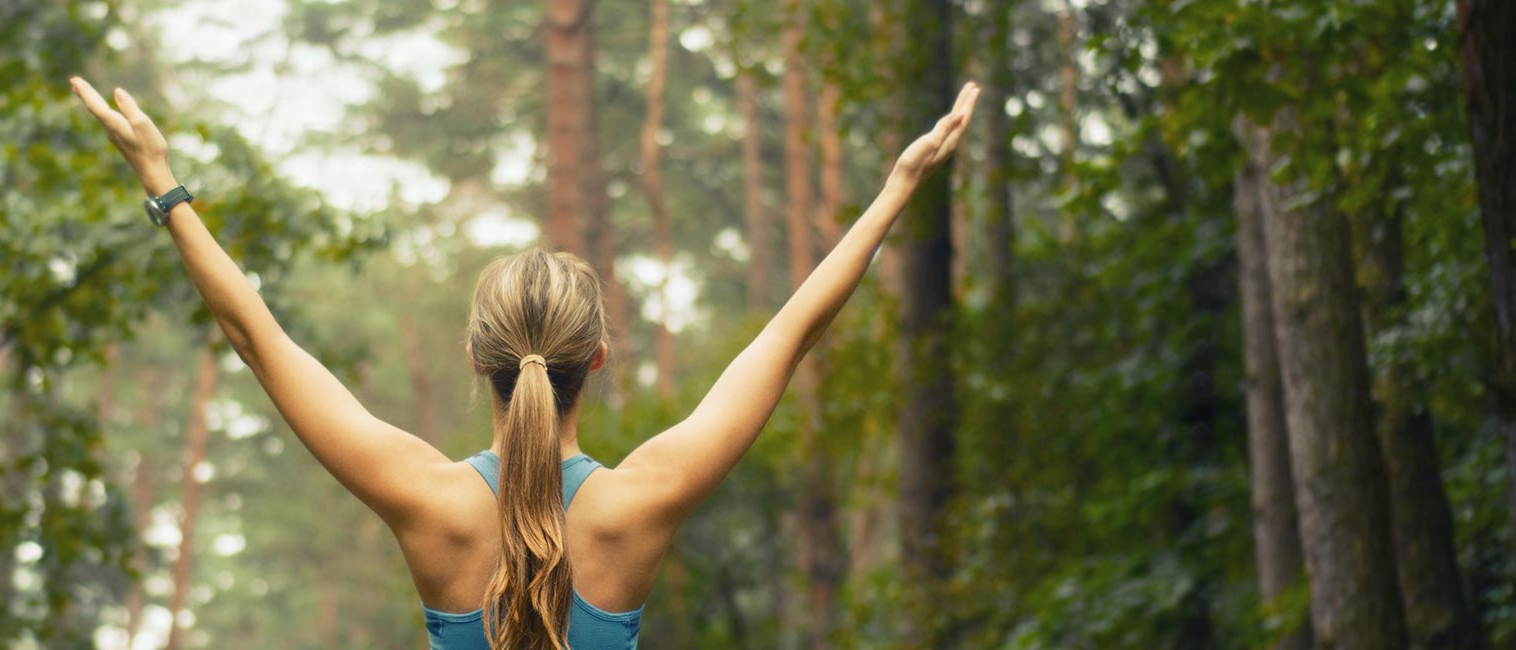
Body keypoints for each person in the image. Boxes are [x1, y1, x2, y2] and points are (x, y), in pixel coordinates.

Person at [70, 75, 980, 649]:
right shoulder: (640, 503)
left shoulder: (426, 500)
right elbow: (790, 335)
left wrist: (163, 181)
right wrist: (895, 190)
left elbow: (254, 335)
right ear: (600, 358)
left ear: (476, 358)